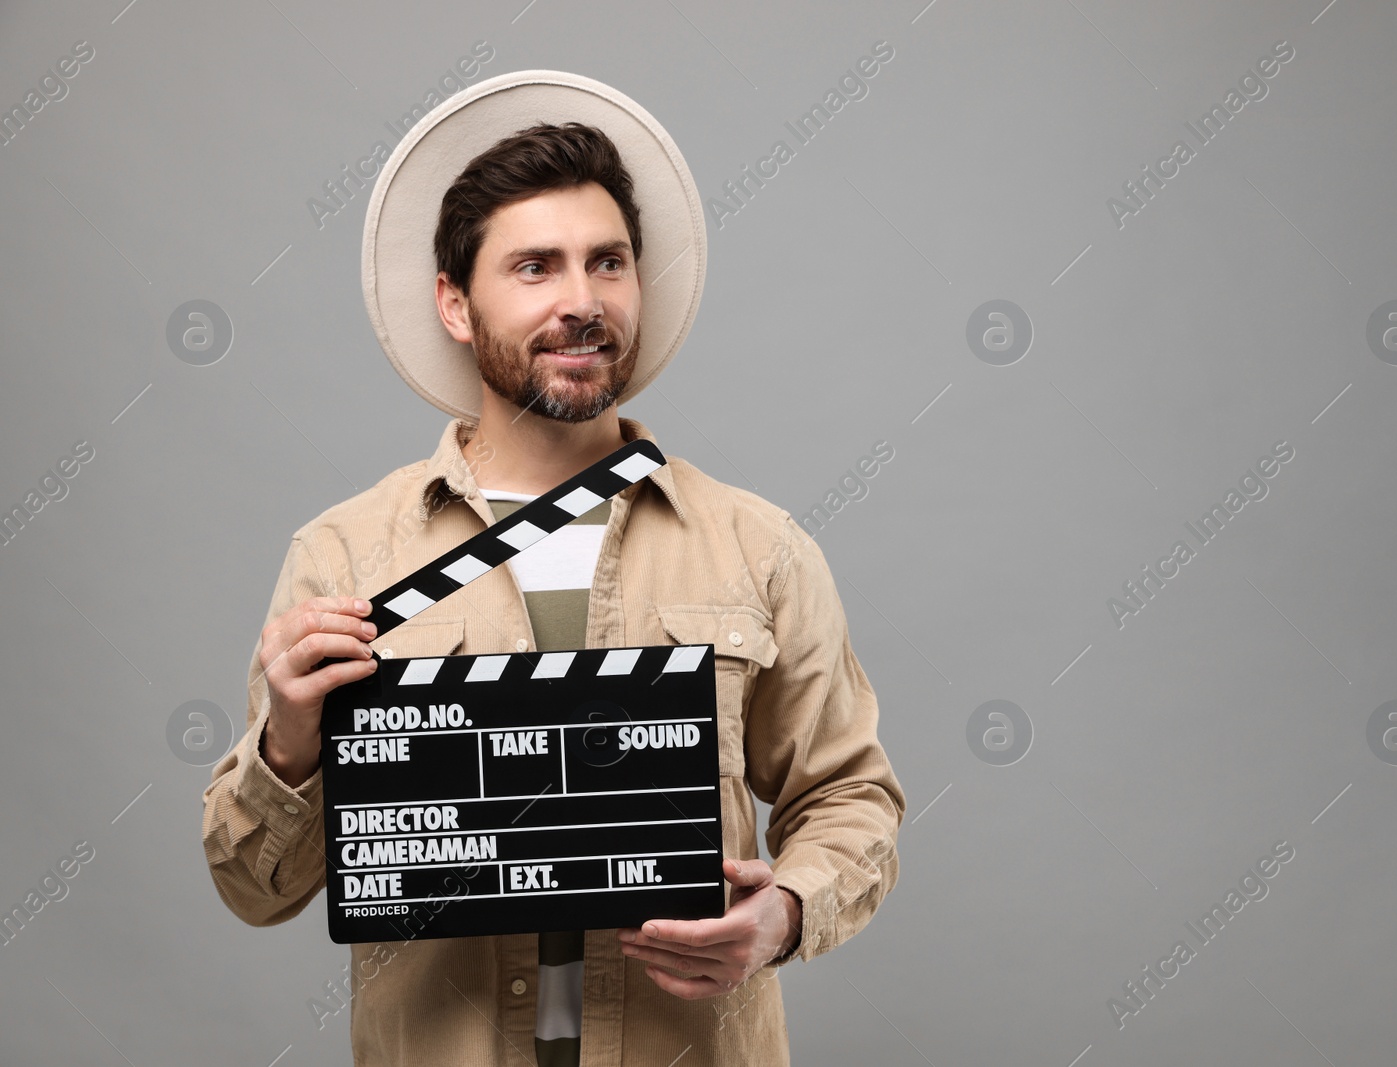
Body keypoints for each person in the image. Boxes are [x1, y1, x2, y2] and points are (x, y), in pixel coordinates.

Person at [200, 70, 905, 1066]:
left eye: (607, 262)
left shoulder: (758, 545)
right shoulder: (348, 557)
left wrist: (783, 912)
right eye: (535, 267)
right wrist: (289, 742)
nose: (582, 301)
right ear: (454, 302)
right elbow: (255, 887)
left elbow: (848, 795)